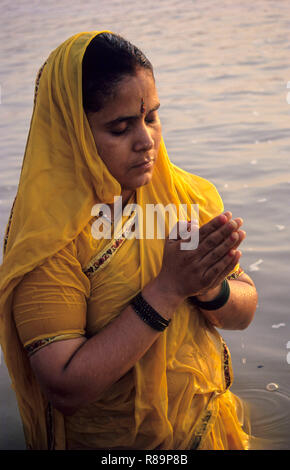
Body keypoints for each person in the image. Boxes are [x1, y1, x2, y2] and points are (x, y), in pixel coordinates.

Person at [0, 30, 257, 450]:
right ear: (73, 134)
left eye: (151, 116)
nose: (147, 141)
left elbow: (243, 313)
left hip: (206, 431)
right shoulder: (48, 242)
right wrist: (169, 289)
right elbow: (65, 387)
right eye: (121, 127)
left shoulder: (185, 197)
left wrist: (209, 287)